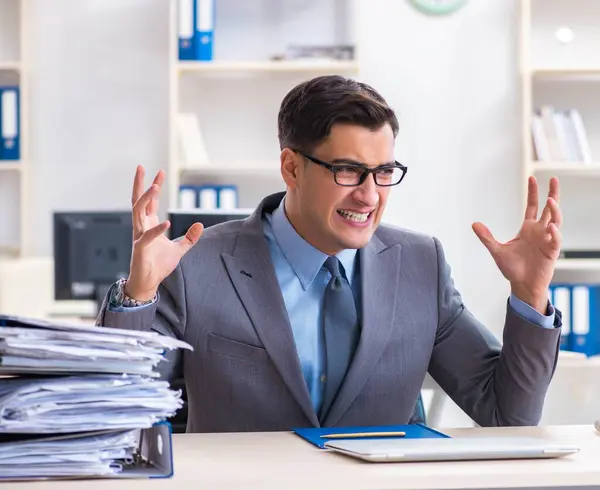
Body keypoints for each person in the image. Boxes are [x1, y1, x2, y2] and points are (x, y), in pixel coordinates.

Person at [97, 75, 563, 432]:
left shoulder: (420, 263)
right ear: (291, 167)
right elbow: (113, 412)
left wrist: (529, 293)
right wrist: (138, 294)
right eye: (348, 171)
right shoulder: (198, 264)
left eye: (383, 172)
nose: (369, 195)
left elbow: (508, 416)